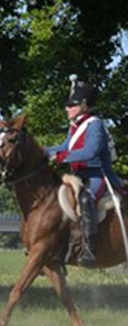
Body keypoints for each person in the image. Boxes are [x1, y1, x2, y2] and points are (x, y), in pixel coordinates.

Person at [45, 77, 123, 266]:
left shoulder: (95, 125)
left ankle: (89, 248)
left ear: (84, 105)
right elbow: (65, 146)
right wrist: (41, 150)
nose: (67, 108)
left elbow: (90, 151)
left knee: (86, 199)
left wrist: (60, 157)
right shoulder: (75, 126)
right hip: (79, 176)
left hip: (98, 175)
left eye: (71, 104)